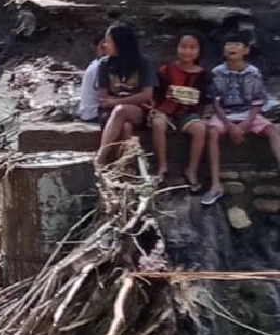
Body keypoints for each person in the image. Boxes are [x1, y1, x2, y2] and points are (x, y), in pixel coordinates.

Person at [202, 33, 280, 206]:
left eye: (237, 44)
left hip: (248, 114)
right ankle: (215, 184)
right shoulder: (217, 72)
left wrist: (246, 124)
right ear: (224, 50)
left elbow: (258, 102)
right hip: (225, 114)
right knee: (213, 132)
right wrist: (229, 125)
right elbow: (216, 103)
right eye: (229, 44)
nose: (232, 47)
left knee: (272, 130)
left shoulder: (253, 73)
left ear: (246, 50)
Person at [151, 32, 208, 189]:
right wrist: (155, 109)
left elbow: (202, 100)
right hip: (166, 112)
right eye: (183, 46)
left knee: (200, 129)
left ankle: (191, 170)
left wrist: (199, 115)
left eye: (192, 47)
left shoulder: (202, 74)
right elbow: (156, 94)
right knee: (158, 123)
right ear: (177, 48)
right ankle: (162, 166)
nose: (187, 51)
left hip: (188, 114)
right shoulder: (166, 70)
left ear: (199, 51)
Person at [95, 24, 155, 165]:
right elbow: (103, 98)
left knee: (121, 110)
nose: (104, 45)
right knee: (126, 126)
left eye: (108, 41)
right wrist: (129, 100)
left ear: (120, 43)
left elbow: (146, 95)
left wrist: (116, 102)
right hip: (109, 112)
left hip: (138, 111)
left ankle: (99, 159)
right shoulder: (104, 64)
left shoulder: (143, 63)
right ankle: (123, 166)